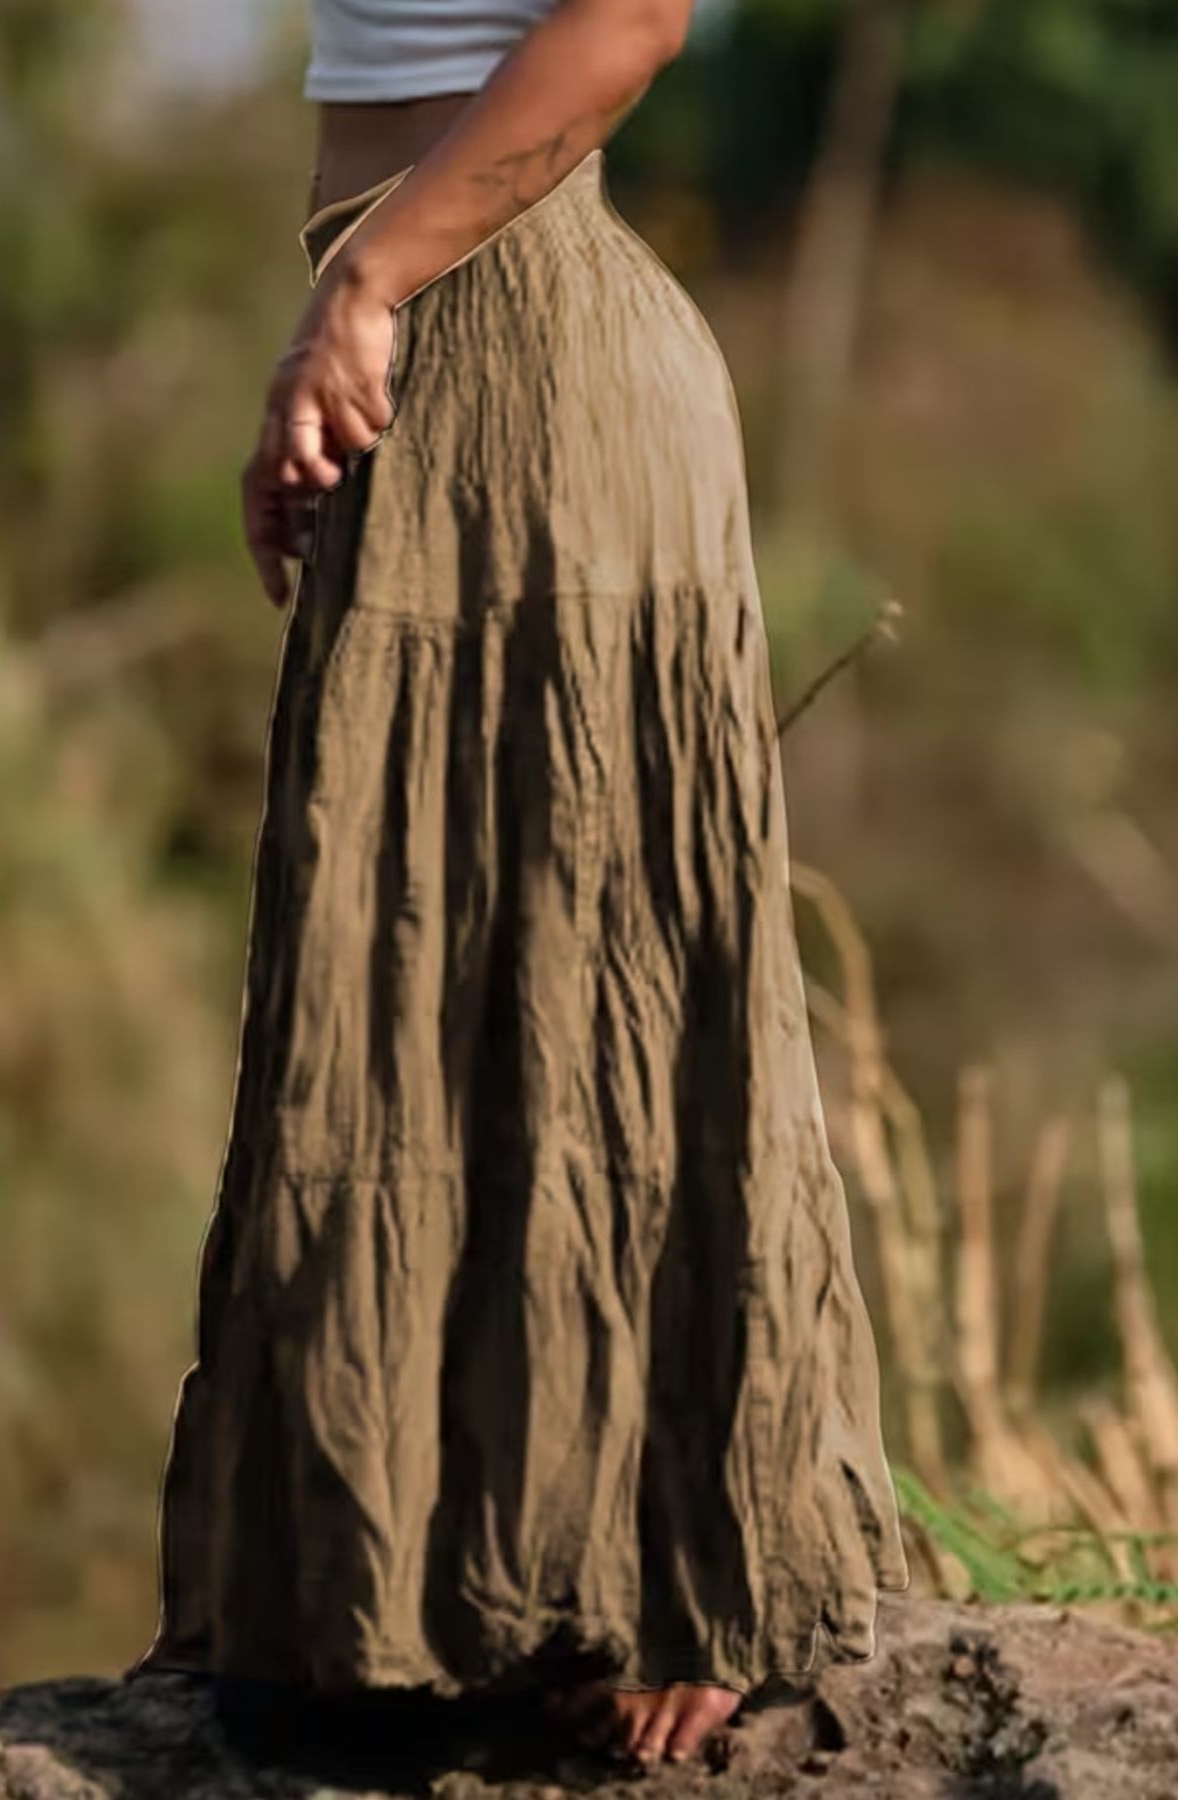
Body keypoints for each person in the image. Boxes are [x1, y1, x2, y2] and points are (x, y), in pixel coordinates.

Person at [126, 0, 911, 1771]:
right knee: (438, 974)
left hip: (532, 370)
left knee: (589, 973)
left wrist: (364, 287)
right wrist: (334, 333)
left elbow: (629, 18)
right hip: (444, 362)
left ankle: (677, 1579)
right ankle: (438, 1583)